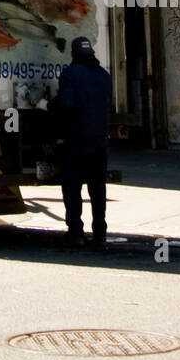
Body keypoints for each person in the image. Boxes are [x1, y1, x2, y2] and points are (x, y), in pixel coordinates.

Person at [51, 35, 113, 251]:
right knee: (97, 189)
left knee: (73, 187)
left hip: (76, 140)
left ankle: (76, 233)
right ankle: (100, 235)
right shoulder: (105, 76)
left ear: (73, 54)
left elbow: (66, 101)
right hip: (99, 141)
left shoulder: (71, 74)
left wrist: (49, 105)